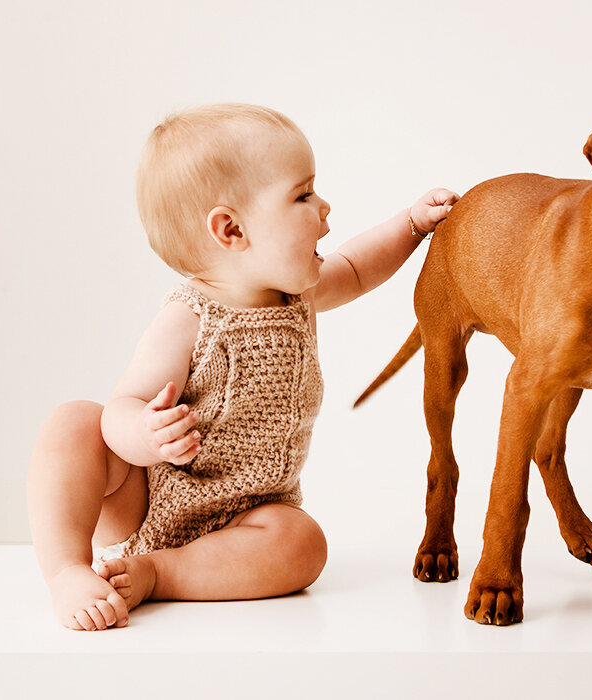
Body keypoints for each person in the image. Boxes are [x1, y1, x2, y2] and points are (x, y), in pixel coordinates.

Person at [27, 103, 458, 630]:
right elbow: (122, 407)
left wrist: (412, 225)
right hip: (150, 495)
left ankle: (159, 573)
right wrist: (145, 434)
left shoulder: (301, 294)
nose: (324, 207)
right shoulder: (188, 317)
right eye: (303, 194)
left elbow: (358, 267)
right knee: (73, 423)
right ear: (231, 229)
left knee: (304, 545)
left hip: (251, 515)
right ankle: (68, 571)